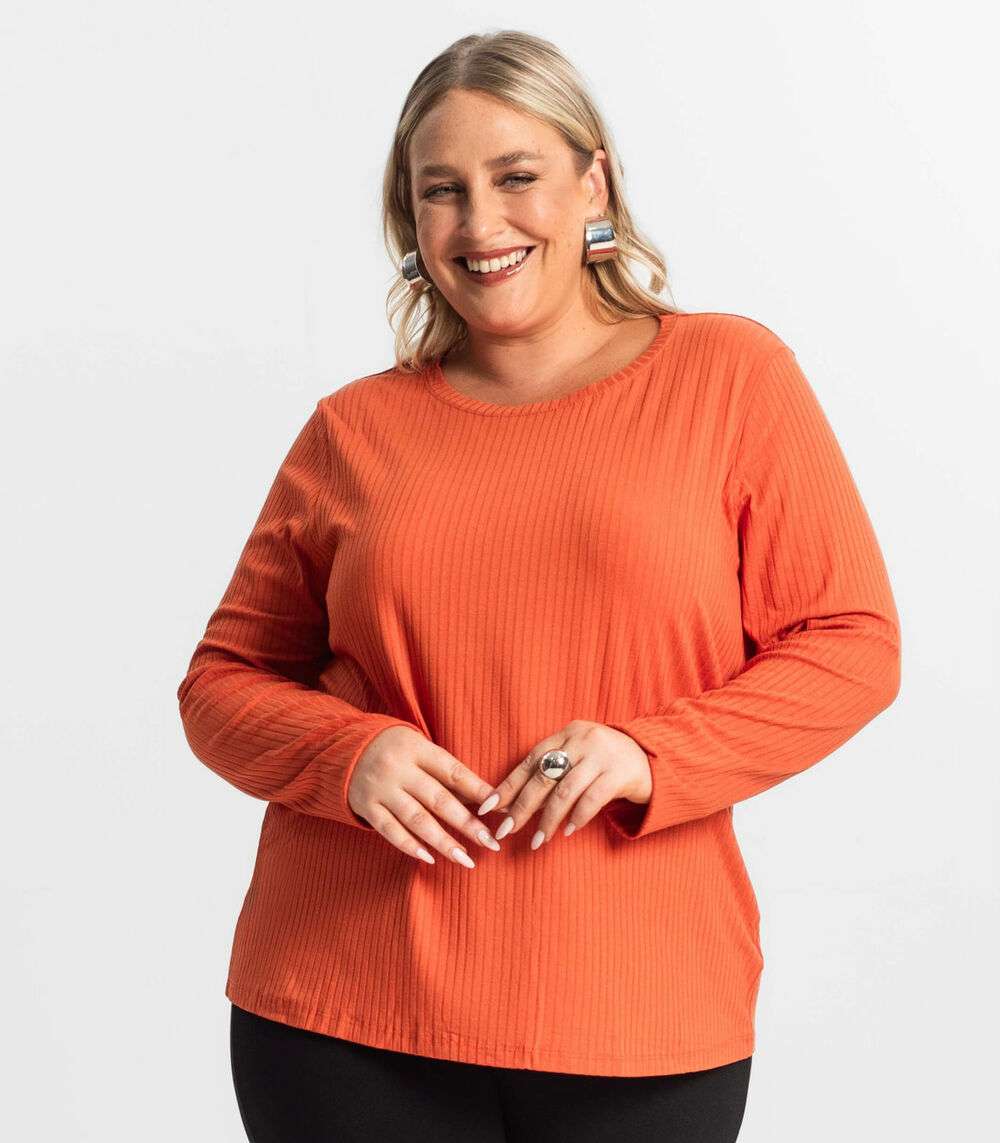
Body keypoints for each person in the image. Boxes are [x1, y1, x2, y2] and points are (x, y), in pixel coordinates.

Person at [177, 28, 901, 1143]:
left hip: (640, 1005)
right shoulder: (354, 431)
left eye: (516, 176)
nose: (481, 223)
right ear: (411, 220)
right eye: (442, 191)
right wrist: (347, 755)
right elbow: (221, 684)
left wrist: (651, 754)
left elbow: (851, 643)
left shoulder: (729, 377)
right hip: (343, 1006)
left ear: (592, 182)